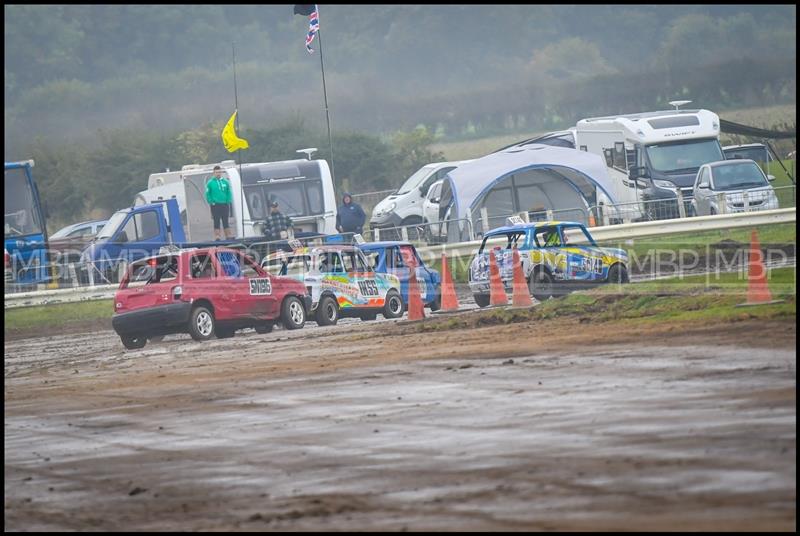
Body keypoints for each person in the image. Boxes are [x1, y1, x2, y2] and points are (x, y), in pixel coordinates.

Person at [205, 166, 234, 240]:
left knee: (225, 220)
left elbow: (228, 192)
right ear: (214, 173)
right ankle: (217, 236)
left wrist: (228, 201)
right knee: (216, 220)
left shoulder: (225, 182)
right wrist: (211, 202)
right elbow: (207, 194)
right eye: (217, 172)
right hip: (215, 205)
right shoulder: (210, 183)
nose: (218, 174)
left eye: (219, 172)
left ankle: (228, 235)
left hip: (224, 204)